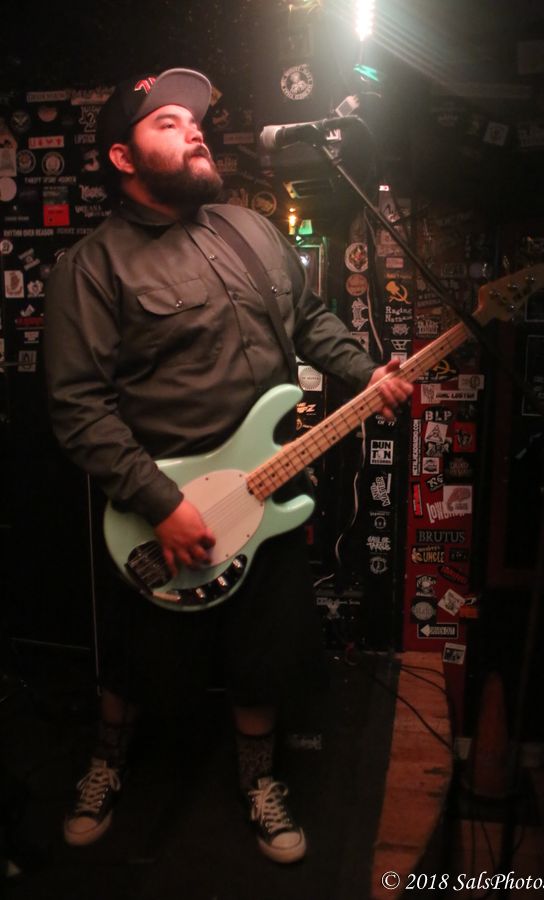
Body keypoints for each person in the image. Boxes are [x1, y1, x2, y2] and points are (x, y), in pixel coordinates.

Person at [44, 67, 412, 864]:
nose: (194, 130)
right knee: (135, 659)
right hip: (164, 507)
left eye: (196, 121)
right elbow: (77, 407)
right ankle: (107, 763)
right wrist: (159, 502)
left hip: (269, 488)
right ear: (122, 157)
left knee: (262, 653)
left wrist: (366, 373)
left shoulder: (251, 230)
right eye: (167, 123)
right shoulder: (93, 267)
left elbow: (307, 319)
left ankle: (259, 781)